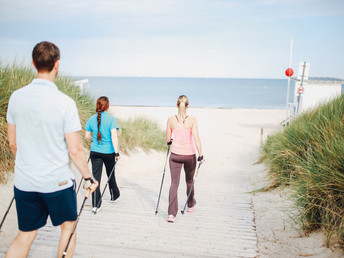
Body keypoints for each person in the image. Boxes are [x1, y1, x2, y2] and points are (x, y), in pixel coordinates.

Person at [6, 41, 98, 258]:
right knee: (68, 227)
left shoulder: (16, 97)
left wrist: (28, 165)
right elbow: (75, 150)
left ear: (33, 63)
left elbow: (12, 143)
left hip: (25, 180)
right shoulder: (64, 103)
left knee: (25, 235)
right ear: (57, 65)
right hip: (57, 182)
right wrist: (87, 178)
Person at [165, 95, 204, 223]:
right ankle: (191, 205)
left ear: (177, 105)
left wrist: (170, 141)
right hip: (189, 156)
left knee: (174, 183)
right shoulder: (192, 120)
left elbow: (167, 139)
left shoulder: (171, 119)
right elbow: (196, 138)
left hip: (175, 155)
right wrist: (201, 155)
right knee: (189, 181)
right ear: (187, 106)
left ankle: (171, 214)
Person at [85, 96, 120, 213]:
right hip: (109, 152)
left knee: (95, 178)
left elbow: (86, 136)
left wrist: (93, 141)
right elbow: (114, 137)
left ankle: (95, 205)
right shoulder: (111, 119)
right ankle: (114, 195)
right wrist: (117, 153)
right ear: (107, 106)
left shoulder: (91, 119)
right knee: (110, 173)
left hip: (95, 152)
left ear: (97, 105)